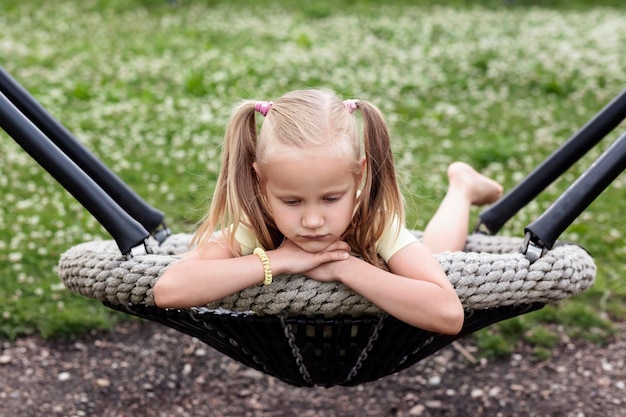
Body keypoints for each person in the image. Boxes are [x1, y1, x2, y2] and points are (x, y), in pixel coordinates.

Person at [153, 89, 503, 335]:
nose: (313, 221)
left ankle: (462, 187)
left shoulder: (373, 221)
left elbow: (447, 312)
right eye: (292, 201)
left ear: (359, 176)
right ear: (261, 183)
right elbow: (169, 289)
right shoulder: (258, 223)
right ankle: (461, 186)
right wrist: (279, 261)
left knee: (439, 257)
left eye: (332, 199)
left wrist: (344, 267)